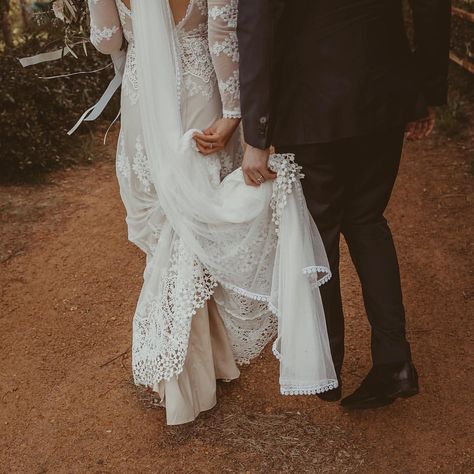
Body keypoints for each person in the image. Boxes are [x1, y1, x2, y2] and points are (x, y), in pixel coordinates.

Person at [88, 0, 337, 426]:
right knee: (193, 230)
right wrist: (234, 114)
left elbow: (108, 40)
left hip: (145, 100)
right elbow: (222, 34)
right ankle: (203, 363)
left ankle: (191, 373)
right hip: (202, 101)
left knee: (169, 228)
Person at [237, 0, 451, 409]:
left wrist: (257, 129)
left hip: (309, 103)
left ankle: (327, 367)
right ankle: (395, 363)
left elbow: (256, 25)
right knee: (367, 218)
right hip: (384, 89)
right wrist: (423, 90)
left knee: (321, 232)